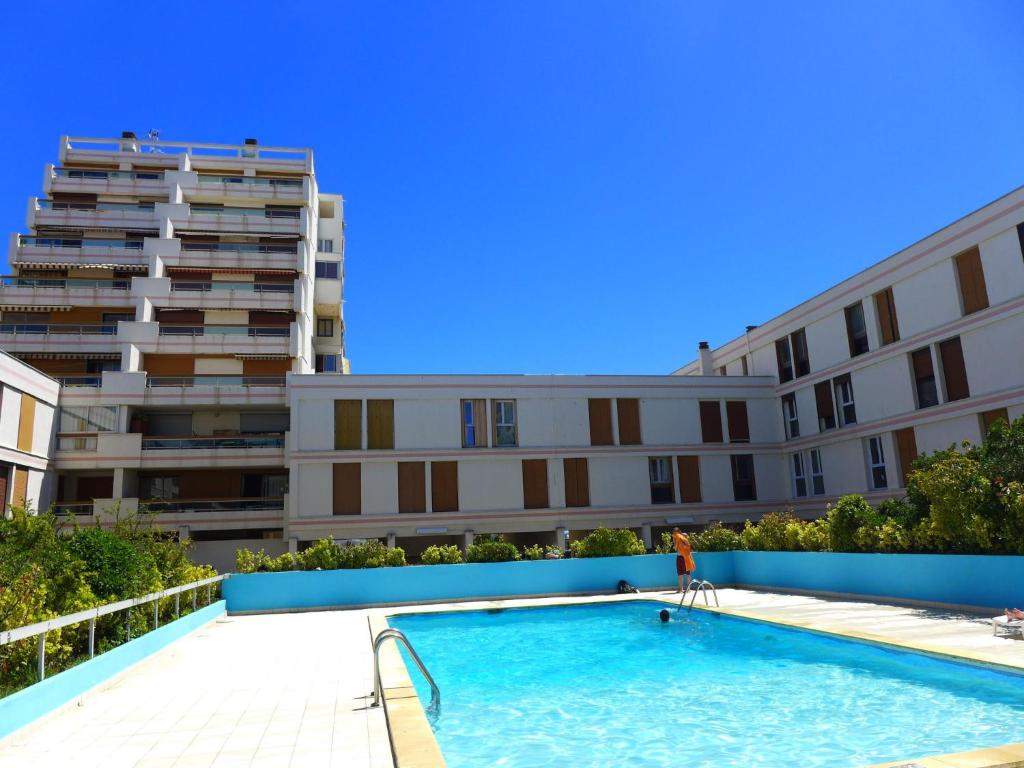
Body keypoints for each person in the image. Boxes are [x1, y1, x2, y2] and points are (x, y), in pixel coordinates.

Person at [672, 527, 696, 593]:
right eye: (674, 533)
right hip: (679, 557)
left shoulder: (683, 536)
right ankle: (680, 589)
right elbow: (675, 548)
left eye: (675, 532)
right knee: (680, 574)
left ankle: (688, 589)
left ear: (679, 532)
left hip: (685, 557)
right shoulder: (675, 539)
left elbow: (686, 535)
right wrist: (675, 540)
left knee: (687, 573)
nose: (675, 534)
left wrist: (680, 535)